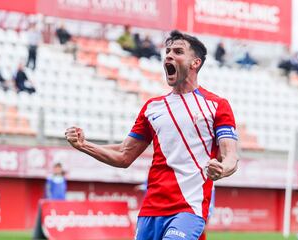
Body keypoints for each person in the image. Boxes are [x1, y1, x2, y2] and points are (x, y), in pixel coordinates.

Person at [65, 30, 239, 240]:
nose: (168, 56)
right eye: (167, 51)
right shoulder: (152, 108)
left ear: (195, 63)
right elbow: (123, 155)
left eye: (177, 51)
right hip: (151, 211)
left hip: (189, 208)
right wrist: (84, 145)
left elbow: (231, 156)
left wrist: (222, 169)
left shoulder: (216, 105)